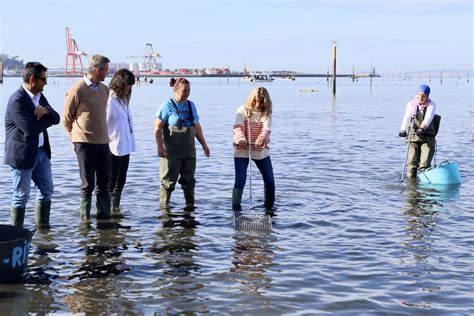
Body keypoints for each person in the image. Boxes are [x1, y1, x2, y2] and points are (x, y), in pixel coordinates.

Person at [4, 62, 60, 228]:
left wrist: (47, 112)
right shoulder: (17, 101)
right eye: (43, 79)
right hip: (22, 155)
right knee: (21, 195)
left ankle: (43, 230)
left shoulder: (40, 97)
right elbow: (30, 130)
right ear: (32, 79)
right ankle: (15, 234)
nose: (46, 82)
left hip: (41, 152)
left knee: (47, 190)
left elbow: (56, 118)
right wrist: (45, 120)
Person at [63, 54, 111, 221]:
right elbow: (66, 119)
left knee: (104, 183)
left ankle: (104, 218)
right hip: (84, 143)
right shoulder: (78, 89)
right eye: (106, 70)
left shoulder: (105, 89)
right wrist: (73, 138)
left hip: (103, 142)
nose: (108, 73)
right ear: (98, 70)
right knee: (87, 183)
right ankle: (85, 221)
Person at [154, 77, 210, 209]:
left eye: (189, 91)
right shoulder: (166, 106)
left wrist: (204, 144)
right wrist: (160, 147)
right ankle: (164, 210)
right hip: (171, 153)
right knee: (168, 183)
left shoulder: (191, 105)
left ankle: (190, 210)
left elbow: (196, 127)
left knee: (189, 182)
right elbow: (157, 128)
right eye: (184, 91)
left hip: (189, 152)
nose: (187, 93)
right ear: (176, 90)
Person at [232, 87, 275, 212]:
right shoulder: (243, 110)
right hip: (242, 149)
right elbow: (238, 127)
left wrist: (261, 138)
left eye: (261, 102)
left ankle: (269, 208)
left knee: (270, 180)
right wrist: (241, 139)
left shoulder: (267, 112)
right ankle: (236, 209)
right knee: (240, 181)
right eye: (255, 101)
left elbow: (266, 129)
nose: (257, 104)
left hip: (260, 150)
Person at [106, 69, 136, 215]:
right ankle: (105, 211)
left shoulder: (124, 100)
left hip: (125, 145)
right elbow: (103, 124)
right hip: (113, 146)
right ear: (120, 84)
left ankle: (115, 209)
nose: (130, 88)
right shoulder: (110, 101)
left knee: (122, 179)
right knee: (111, 180)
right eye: (128, 85)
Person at [399, 84, 438, 178]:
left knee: (424, 164)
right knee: (412, 162)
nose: (420, 97)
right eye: (419, 94)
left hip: (427, 137)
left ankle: (424, 186)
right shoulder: (411, 104)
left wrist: (422, 127)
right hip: (413, 136)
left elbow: (428, 118)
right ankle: (411, 185)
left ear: (427, 96)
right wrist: (403, 129)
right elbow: (407, 117)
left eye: (423, 95)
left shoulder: (431, 105)